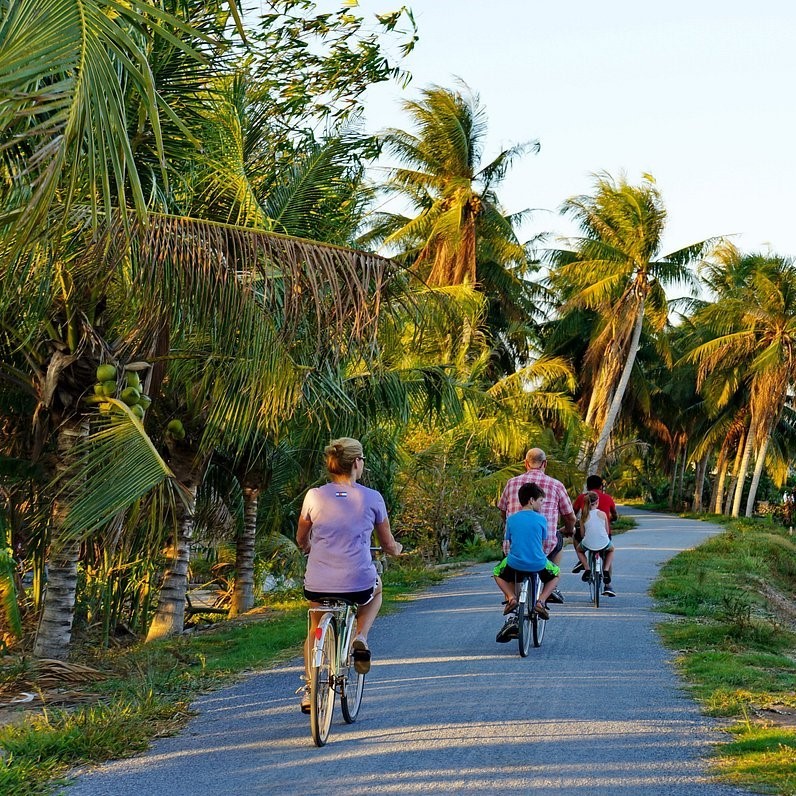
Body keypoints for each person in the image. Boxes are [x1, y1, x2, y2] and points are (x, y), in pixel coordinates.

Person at [296, 437, 402, 713]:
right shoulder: (372, 498)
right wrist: (396, 550)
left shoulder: (314, 496)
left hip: (318, 582)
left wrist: (309, 547)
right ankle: (361, 636)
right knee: (376, 591)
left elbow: (301, 538)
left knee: (314, 628)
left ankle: (310, 687)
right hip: (358, 582)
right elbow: (388, 544)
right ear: (356, 463)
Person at [497, 447, 576, 604]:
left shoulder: (511, 483)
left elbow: (503, 511)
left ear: (526, 463)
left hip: (514, 549)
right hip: (542, 550)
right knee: (557, 540)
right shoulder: (556, 485)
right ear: (544, 463)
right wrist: (568, 529)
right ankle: (549, 589)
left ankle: (510, 601)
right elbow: (570, 517)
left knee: (506, 565)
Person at [493, 483, 561, 627]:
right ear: (531, 500)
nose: (542, 505)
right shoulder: (542, 519)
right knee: (556, 574)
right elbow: (542, 542)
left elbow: (509, 540)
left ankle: (511, 597)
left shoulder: (511, 519)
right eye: (540, 501)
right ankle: (541, 601)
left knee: (496, 572)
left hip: (515, 563)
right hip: (538, 563)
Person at [571, 474, 618, 574]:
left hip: (586, 536)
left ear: (587, 487)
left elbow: (572, 514)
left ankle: (582, 561)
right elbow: (614, 514)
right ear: (601, 486)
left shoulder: (581, 498)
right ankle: (608, 585)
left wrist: (575, 524)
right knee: (607, 554)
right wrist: (612, 519)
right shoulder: (608, 498)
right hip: (604, 536)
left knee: (576, 538)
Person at [574, 491, 616, 596]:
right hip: (603, 542)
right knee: (611, 550)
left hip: (588, 543)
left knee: (579, 550)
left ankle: (587, 568)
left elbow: (583, 535)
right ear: (597, 502)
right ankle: (606, 570)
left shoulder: (583, 516)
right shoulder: (602, 514)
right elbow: (606, 531)